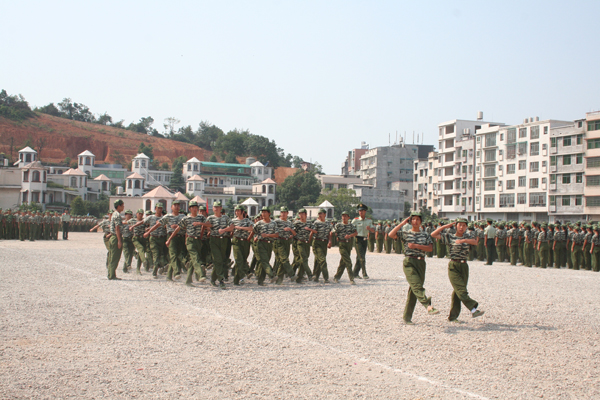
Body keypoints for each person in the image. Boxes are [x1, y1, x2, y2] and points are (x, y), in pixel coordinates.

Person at [389, 212, 439, 325]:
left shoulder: (425, 235)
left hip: (421, 262)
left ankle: (407, 317)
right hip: (409, 262)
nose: (415, 221)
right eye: (413, 219)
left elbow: (430, 248)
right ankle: (428, 305)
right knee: (417, 286)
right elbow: (391, 234)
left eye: (417, 219)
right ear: (410, 221)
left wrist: (416, 246)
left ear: (421, 221)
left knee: (414, 290)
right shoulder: (406, 233)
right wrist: (402, 223)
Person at [431, 219, 484, 321]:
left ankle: (453, 317)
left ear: (466, 227)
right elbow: (433, 234)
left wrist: (463, 240)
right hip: (453, 266)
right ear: (456, 226)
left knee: (457, 292)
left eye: (464, 226)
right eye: (459, 225)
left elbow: (475, 242)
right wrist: (445, 226)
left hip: (464, 266)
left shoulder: (467, 236)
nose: (461, 227)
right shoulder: (450, 237)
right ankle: (473, 309)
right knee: (461, 290)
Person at [168, 200, 209, 286]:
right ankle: (200, 274)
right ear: (190, 209)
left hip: (198, 240)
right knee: (195, 257)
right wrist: (169, 239)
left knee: (192, 260)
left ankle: (188, 280)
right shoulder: (186, 219)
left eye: (196, 207)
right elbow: (178, 229)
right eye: (193, 208)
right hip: (190, 240)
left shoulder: (201, 217)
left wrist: (200, 223)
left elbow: (209, 224)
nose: (195, 209)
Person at [145, 201, 186, 281]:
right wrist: (148, 232)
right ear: (171, 207)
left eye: (178, 205)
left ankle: (169, 276)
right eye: (175, 205)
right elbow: (157, 225)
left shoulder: (183, 216)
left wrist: (178, 226)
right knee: (173, 255)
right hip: (171, 237)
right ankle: (176, 272)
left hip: (180, 237)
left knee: (176, 257)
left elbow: (187, 227)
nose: (177, 207)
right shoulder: (167, 217)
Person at [205, 201, 233, 289]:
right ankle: (221, 280)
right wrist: (212, 230)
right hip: (214, 240)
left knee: (220, 260)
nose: (216, 209)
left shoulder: (226, 217)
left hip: (224, 240)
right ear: (212, 208)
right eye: (215, 207)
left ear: (221, 208)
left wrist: (224, 230)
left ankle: (213, 279)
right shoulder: (210, 218)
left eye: (218, 207)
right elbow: (207, 227)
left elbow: (232, 226)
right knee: (218, 259)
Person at [252, 207, 279, 286]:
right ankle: (271, 275)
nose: (263, 214)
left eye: (265, 212)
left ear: (269, 213)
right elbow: (253, 231)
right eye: (262, 212)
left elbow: (276, 234)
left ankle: (260, 281)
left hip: (269, 244)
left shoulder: (273, 223)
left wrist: (267, 235)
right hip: (261, 243)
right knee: (264, 261)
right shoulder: (259, 223)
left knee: (263, 262)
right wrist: (252, 238)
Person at [333, 211, 358, 284]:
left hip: (348, 244)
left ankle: (337, 276)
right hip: (342, 244)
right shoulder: (338, 225)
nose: (344, 217)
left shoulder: (351, 225)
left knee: (343, 262)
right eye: (343, 216)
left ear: (348, 217)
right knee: (348, 262)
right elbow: (333, 232)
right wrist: (337, 236)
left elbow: (356, 233)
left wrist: (350, 236)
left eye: (345, 216)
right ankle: (351, 279)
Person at [232, 206, 254, 285]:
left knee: (243, 259)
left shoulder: (247, 220)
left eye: (238, 211)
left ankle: (237, 279)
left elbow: (251, 229)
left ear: (242, 212)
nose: (237, 212)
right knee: (239, 259)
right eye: (236, 211)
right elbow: (231, 229)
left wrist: (240, 227)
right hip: (237, 241)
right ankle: (242, 276)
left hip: (245, 241)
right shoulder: (233, 221)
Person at [352, 203, 375, 279]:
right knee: (362, 258)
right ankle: (364, 273)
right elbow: (350, 229)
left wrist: (370, 229)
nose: (360, 212)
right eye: (359, 211)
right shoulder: (355, 220)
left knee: (360, 257)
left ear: (365, 211)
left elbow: (373, 230)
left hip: (365, 239)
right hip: (357, 239)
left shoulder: (369, 221)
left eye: (362, 211)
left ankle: (354, 273)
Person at [273, 206, 295, 284]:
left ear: (287, 213)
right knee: (284, 259)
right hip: (279, 241)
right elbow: (273, 230)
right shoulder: (276, 221)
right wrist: (283, 229)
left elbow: (294, 233)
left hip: (287, 241)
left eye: (285, 212)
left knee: (281, 261)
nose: (283, 214)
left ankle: (279, 279)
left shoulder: (289, 223)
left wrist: (290, 230)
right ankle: (291, 274)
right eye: (282, 212)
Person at [310, 208, 332, 283]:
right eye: (319, 214)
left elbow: (329, 233)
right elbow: (313, 232)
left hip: (324, 243)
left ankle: (315, 276)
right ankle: (326, 277)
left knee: (318, 260)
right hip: (317, 242)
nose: (320, 215)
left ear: (325, 214)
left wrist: (329, 241)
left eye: (321, 213)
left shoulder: (328, 223)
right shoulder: (316, 223)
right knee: (322, 259)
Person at [293, 208, 314, 283]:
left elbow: (315, 231)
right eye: (300, 214)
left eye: (302, 214)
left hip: (307, 243)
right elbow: (293, 232)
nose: (301, 215)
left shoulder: (309, 223)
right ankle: (310, 274)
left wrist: (309, 231)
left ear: (306, 215)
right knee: (304, 258)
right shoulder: (296, 223)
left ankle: (299, 278)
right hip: (300, 242)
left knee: (303, 260)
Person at [107, 200, 124, 280]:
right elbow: (117, 228)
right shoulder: (117, 215)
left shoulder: (114, 214)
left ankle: (110, 274)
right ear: (119, 206)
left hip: (113, 237)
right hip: (116, 237)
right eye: (122, 205)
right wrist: (119, 240)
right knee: (115, 257)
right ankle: (112, 275)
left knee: (111, 256)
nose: (123, 207)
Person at [130, 209, 148, 274]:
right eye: (139, 213)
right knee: (141, 249)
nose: (140, 215)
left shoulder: (144, 221)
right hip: (136, 238)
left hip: (142, 238)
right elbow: (125, 222)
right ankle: (144, 260)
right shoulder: (133, 220)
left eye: (141, 214)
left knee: (141, 253)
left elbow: (147, 227)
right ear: (136, 214)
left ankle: (138, 269)